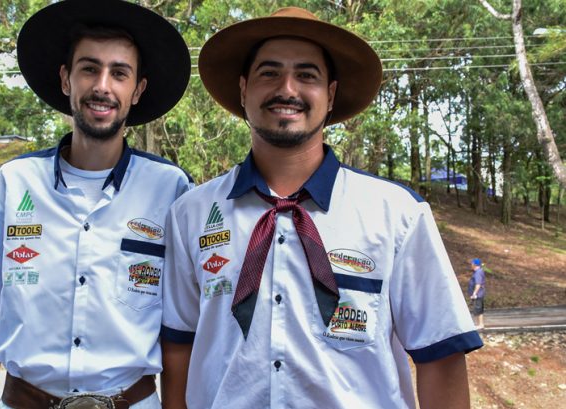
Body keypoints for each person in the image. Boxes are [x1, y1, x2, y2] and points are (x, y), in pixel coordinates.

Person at [160, 7, 483, 409]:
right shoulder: (190, 213)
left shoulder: (397, 215)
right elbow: (179, 347)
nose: (287, 89)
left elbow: (441, 355)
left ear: (330, 95)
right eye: (269, 73)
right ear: (244, 90)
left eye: (307, 75)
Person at [0, 1, 192, 408]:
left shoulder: (172, 189)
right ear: (66, 80)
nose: (102, 86)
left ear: (138, 90)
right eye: (89, 68)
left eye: (119, 73)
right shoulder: (13, 182)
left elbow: (180, 330)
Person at [469, 258, 486, 329]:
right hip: (479, 294)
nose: (471, 265)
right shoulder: (478, 271)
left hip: (478, 294)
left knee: (478, 308)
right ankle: (479, 324)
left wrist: (474, 293)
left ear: (474, 264)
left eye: (472, 263)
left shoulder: (478, 272)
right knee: (479, 308)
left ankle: (480, 324)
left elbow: (478, 284)